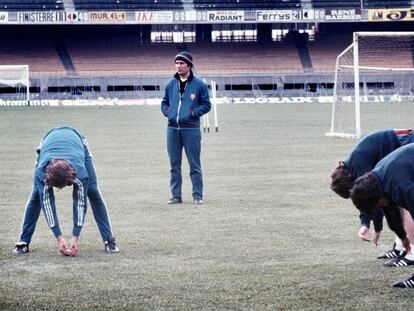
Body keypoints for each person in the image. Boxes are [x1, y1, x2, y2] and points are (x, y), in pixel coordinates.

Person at [13, 126, 119, 256]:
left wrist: (76, 236)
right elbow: (47, 204)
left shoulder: (80, 174)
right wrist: (59, 236)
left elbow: (80, 203)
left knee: (92, 191)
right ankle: (23, 241)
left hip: (78, 141)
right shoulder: (42, 173)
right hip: (47, 142)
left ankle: (109, 240)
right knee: (36, 195)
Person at [331, 129, 414, 256]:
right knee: (397, 203)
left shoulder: (362, 169)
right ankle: (402, 248)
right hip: (401, 152)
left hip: (405, 141)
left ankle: (411, 253)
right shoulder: (363, 173)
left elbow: (376, 203)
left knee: (405, 205)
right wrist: (402, 237)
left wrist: (376, 227)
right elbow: (387, 209)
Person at [350, 143, 414, 288]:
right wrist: (403, 237)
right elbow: (390, 210)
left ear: (378, 199)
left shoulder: (400, 185)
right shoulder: (379, 180)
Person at [161, 51, 211, 205]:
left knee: (194, 164)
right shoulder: (170, 84)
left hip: (191, 129)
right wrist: (168, 112)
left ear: (189, 65)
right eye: (176, 63)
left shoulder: (199, 85)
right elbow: (164, 102)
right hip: (172, 129)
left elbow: (207, 105)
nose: (178, 66)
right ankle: (176, 196)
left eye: (182, 63)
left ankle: (197, 195)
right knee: (174, 165)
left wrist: (193, 113)